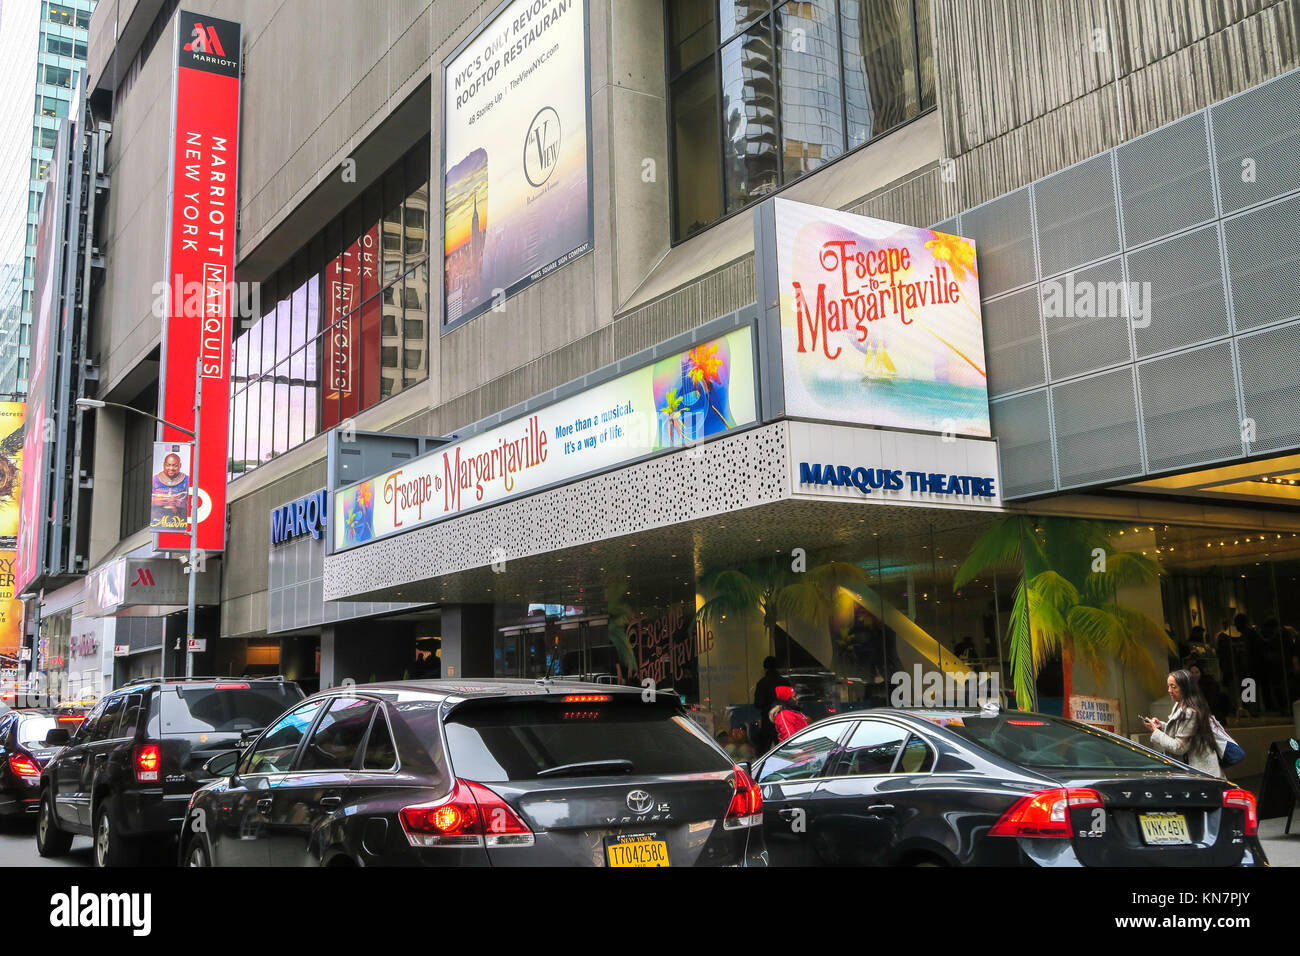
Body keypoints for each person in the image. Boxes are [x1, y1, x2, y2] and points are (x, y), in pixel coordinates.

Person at [1143, 669, 1221, 778]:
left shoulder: (1189, 712)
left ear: (1185, 688)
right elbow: (1181, 731)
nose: (1169, 690)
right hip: (1191, 771)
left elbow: (1179, 747)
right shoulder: (1180, 705)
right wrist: (1161, 726)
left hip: (1198, 772)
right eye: (1168, 686)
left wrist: (1156, 732)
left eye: (1173, 687)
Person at [752, 656, 785, 753]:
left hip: (767, 722)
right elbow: (790, 701)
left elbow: (757, 704)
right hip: (782, 720)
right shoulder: (784, 682)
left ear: (765, 668)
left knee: (764, 752)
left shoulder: (762, 683)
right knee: (784, 750)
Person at [150, 452, 190, 529]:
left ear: (180, 465)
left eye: (175, 466)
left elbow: (195, 503)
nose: (171, 468)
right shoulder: (154, 480)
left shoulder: (188, 480)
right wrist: (155, 501)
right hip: (158, 522)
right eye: (168, 465)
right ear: (164, 465)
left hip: (180, 523)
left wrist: (180, 503)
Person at [1187, 660, 1226, 727]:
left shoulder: (1209, 684)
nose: (1194, 675)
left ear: (1201, 673)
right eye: (1192, 672)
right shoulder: (1188, 685)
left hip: (1211, 715)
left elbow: (1212, 701)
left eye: (1196, 672)